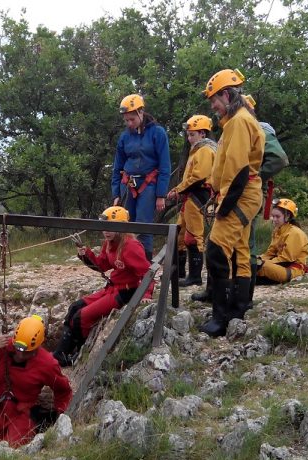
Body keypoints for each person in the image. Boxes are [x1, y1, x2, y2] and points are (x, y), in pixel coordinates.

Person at [199, 68, 264, 337]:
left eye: (214, 99)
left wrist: (225, 206)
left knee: (215, 250)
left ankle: (221, 317)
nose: (213, 105)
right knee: (238, 251)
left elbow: (237, 171)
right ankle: (238, 307)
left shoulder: (238, 122)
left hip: (240, 194)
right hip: (243, 193)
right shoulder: (236, 121)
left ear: (226, 94)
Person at [53, 206, 151, 367]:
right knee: (74, 308)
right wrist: (86, 255)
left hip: (126, 291)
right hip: (112, 288)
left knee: (82, 317)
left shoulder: (131, 246)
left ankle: (79, 354)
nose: (106, 231)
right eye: (104, 228)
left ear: (121, 227)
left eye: (111, 227)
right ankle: (61, 353)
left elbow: (147, 272)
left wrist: (146, 294)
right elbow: (102, 265)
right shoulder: (109, 243)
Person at [0, 315, 73, 446]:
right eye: (18, 348)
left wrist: (60, 416)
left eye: (27, 352)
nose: (21, 355)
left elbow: (63, 391)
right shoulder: (3, 347)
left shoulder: (47, 364)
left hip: (23, 414)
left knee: (12, 448)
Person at [111, 94, 171, 261]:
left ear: (141, 112)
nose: (129, 123)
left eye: (132, 119)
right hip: (128, 183)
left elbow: (165, 165)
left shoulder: (157, 133)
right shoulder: (125, 137)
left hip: (149, 184)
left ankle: (144, 264)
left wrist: (161, 195)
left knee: (144, 225)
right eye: (126, 120)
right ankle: (127, 260)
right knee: (126, 223)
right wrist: (116, 194)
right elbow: (117, 167)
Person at [166, 115, 217, 287]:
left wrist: (178, 189)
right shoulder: (197, 150)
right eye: (188, 135)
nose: (189, 138)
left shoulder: (204, 150)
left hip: (198, 195)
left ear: (202, 133)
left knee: (193, 236)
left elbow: (198, 176)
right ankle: (179, 272)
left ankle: (195, 276)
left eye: (192, 135)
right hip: (191, 196)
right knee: (179, 233)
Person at [256, 198, 308, 284]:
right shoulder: (277, 231)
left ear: (287, 216)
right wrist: (258, 259)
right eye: (273, 216)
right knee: (250, 262)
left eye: (277, 216)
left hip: (291, 269)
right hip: (279, 266)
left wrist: (263, 263)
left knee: (261, 266)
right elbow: (270, 253)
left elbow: (287, 259)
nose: (274, 219)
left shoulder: (295, 233)